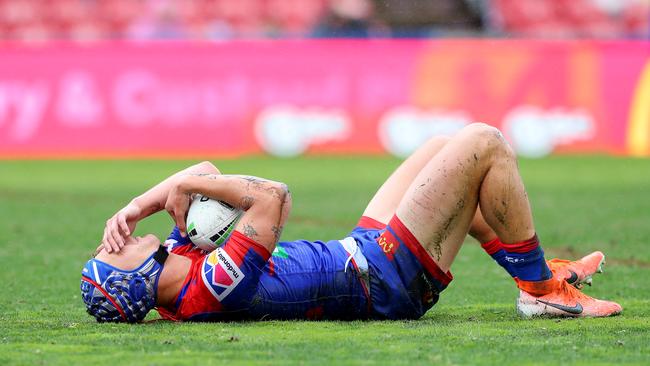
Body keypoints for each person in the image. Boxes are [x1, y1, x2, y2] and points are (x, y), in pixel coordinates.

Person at [80, 123, 622, 323]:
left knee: (439, 148)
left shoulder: (176, 267)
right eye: (111, 250)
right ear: (132, 281)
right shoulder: (207, 287)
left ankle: (534, 272)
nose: (115, 240)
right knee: (484, 144)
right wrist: (192, 186)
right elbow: (273, 197)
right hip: (385, 280)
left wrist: (134, 206)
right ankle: (541, 288)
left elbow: (202, 172)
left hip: (363, 251)